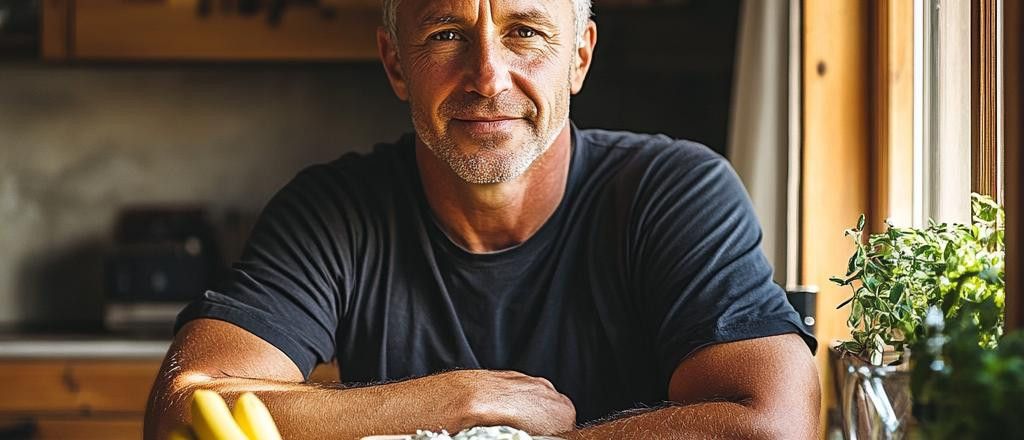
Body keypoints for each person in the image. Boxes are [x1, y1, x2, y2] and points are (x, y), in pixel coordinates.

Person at [145, 0, 820, 438]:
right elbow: (183, 406)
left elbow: (776, 421)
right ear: (396, 64)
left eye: (524, 32)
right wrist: (456, 402)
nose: (488, 77)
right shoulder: (333, 211)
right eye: (445, 34)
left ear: (578, 57)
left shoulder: (671, 191)